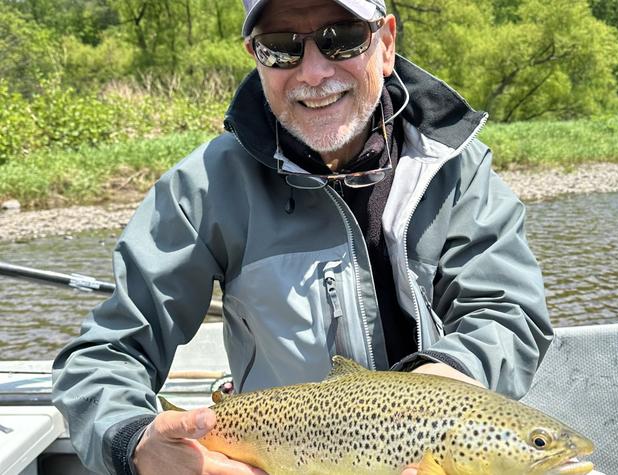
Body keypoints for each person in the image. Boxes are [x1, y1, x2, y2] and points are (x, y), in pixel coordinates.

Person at [52, 0, 553, 474]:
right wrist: (135, 443)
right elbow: (107, 354)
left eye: (342, 39)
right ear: (255, 56)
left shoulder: (456, 167)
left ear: (386, 44)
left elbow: (508, 312)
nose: (313, 73)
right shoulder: (203, 188)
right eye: (282, 46)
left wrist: (436, 391)